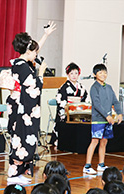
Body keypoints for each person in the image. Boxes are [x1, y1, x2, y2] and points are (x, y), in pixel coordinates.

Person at [7, 23, 56, 184]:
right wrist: (41, 74)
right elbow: (34, 87)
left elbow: (35, 50)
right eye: (34, 52)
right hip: (22, 110)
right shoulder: (23, 67)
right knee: (22, 139)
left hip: (23, 108)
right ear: (28, 52)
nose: (37, 54)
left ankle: (20, 172)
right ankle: (13, 174)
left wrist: (46, 35)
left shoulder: (22, 63)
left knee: (26, 139)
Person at [83, 64, 123, 175]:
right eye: (100, 72)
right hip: (98, 120)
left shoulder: (109, 87)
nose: (103, 74)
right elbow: (97, 104)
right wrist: (107, 116)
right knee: (94, 141)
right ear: (94, 75)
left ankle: (101, 164)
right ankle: (87, 166)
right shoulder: (94, 88)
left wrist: (119, 113)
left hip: (108, 120)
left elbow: (115, 101)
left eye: (105, 72)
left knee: (104, 142)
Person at [50, 62, 88, 146]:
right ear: (68, 74)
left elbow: (84, 99)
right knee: (63, 119)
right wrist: (68, 107)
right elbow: (60, 100)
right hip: (67, 110)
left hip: (78, 110)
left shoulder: (82, 87)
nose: (74, 75)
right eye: (71, 73)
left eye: (76, 73)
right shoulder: (64, 87)